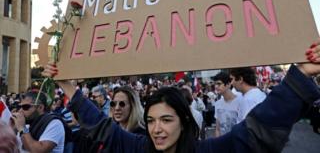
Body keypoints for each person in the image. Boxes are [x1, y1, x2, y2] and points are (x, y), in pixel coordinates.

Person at [42, 40, 320, 153]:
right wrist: (67, 86)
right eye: (150, 121)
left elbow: (257, 131)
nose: (156, 129)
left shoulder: (207, 150)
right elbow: (103, 128)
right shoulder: (140, 148)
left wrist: (301, 74)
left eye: (166, 119)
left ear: (184, 120)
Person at [213, 72, 242, 137]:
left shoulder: (240, 102)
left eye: (219, 84)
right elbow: (218, 129)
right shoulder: (218, 104)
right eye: (215, 84)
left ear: (228, 84)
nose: (216, 86)